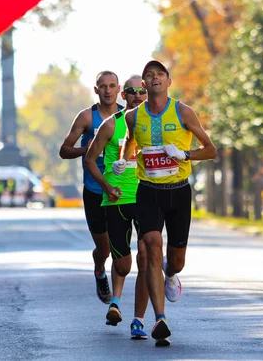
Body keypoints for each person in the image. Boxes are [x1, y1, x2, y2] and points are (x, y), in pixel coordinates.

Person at [115, 60, 217, 346]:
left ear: (168, 81)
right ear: (144, 85)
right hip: (148, 190)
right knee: (150, 244)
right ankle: (160, 319)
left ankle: (171, 274)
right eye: (149, 75)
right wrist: (124, 159)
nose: (154, 78)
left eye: (159, 74)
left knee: (176, 261)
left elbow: (210, 150)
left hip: (179, 191)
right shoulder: (134, 117)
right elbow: (129, 139)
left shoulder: (183, 111)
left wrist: (185, 155)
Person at [85, 75, 149, 339]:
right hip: (116, 199)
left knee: (147, 258)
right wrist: (106, 186)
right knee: (122, 264)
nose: (137, 95)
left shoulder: (155, 124)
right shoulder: (111, 125)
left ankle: (139, 320)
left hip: (147, 197)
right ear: (126, 96)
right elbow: (89, 159)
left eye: (141, 90)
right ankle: (115, 300)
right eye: (132, 91)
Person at [59, 70, 123, 304]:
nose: (107, 90)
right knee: (104, 249)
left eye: (112, 86)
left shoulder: (127, 117)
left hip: (120, 190)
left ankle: (116, 300)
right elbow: (64, 150)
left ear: (119, 89)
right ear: (96, 90)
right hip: (95, 190)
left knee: (120, 247)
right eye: (102, 86)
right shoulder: (87, 117)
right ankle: (99, 270)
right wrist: (89, 149)